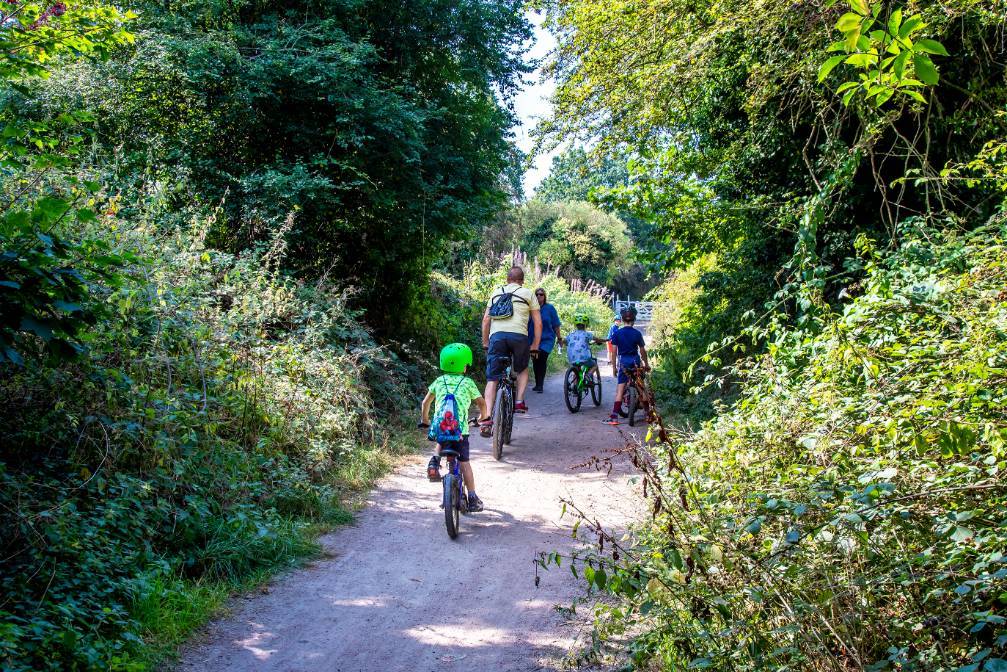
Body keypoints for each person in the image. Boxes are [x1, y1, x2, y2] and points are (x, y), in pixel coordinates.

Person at [420, 343, 488, 512]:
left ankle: (434, 463)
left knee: (442, 436)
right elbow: (481, 403)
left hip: (442, 428)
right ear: (464, 366)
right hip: (461, 431)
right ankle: (472, 497)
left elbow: (425, 403)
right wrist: (483, 417)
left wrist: (425, 420)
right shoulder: (468, 383)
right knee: (465, 463)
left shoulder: (438, 381)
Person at [480, 266, 541, 436]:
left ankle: (486, 417)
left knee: (492, 378)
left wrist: (486, 342)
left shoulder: (496, 292)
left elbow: (486, 320)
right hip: (519, 337)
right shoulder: (528, 293)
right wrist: (535, 345)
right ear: (522, 281)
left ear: (507, 279)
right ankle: (519, 401)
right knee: (521, 369)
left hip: (497, 337)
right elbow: (538, 323)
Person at [607, 307, 649, 425]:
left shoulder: (617, 333)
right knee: (642, 388)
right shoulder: (637, 333)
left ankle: (614, 417)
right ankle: (648, 414)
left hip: (624, 363)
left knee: (620, 390)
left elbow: (614, 352)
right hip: (635, 362)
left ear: (622, 319)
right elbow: (642, 351)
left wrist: (614, 367)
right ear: (634, 320)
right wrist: (646, 364)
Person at [529, 288, 561, 392]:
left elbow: (556, 324)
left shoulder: (550, 308)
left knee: (541, 357)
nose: (539, 296)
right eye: (537, 294)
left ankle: (540, 385)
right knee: (535, 360)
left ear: (544, 296)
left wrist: (559, 338)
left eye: (541, 294)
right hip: (533, 339)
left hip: (547, 339)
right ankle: (537, 383)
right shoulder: (530, 309)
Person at [565, 311, 601, 377]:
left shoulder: (570, 335)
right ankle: (588, 375)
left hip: (572, 358)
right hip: (584, 358)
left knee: (576, 369)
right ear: (586, 325)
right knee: (594, 365)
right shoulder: (587, 334)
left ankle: (575, 385)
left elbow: (564, 341)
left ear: (575, 325)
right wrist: (605, 340)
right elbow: (597, 339)